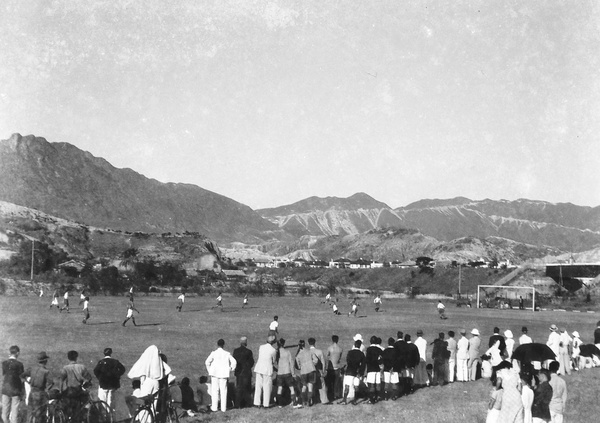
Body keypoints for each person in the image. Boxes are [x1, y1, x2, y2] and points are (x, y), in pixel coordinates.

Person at [205, 338, 237, 413]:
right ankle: (223, 408)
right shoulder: (227, 353)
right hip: (223, 374)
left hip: (215, 374)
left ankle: (214, 407)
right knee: (223, 391)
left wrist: (210, 370)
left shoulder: (214, 353)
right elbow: (234, 362)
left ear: (217, 344)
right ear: (223, 345)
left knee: (215, 391)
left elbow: (207, 362)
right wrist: (230, 369)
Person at [22, 351, 53, 422]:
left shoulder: (32, 369)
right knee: (40, 414)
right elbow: (51, 383)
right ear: (45, 361)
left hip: (32, 392)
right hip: (40, 393)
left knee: (30, 412)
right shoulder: (46, 371)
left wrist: (28, 381)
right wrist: (46, 390)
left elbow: (22, 375)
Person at [61, 350, 93, 418]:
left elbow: (61, 380)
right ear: (76, 357)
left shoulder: (65, 368)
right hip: (78, 391)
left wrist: (61, 391)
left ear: (68, 358)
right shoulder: (82, 367)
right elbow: (89, 378)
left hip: (69, 391)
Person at [253, 335, 277, 408]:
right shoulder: (273, 350)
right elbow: (273, 360)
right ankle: (265, 404)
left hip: (259, 368)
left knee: (258, 386)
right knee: (267, 387)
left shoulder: (261, 347)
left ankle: (257, 403)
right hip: (267, 369)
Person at [2, 346, 24, 423]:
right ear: (17, 353)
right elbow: (21, 376)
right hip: (16, 390)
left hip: (5, 389)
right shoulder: (20, 364)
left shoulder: (4, 363)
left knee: (5, 412)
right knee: (15, 413)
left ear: (10, 352)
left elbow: (5, 374)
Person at [275, 338, 298, 408]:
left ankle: (280, 404)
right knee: (291, 388)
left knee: (280, 388)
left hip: (279, 373)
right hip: (287, 372)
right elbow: (291, 363)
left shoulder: (276, 352)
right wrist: (293, 374)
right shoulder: (287, 352)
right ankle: (294, 403)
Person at [232, 336, 254, 409]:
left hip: (239, 372)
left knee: (239, 388)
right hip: (246, 372)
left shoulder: (236, 351)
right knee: (247, 388)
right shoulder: (248, 351)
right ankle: (247, 403)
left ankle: (238, 404)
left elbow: (234, 361)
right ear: (246, 342)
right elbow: (251, 362)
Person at [341, 340, 365, 405]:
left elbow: (348, 361)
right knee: (356, 386)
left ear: (354, 344)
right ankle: (355, 400)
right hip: (357, 372)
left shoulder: (350, 352)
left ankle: (344, 400)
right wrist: (360, 373)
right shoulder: (361, 354)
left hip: (350, 371)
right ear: (360, 346)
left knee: (347, 386)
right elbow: (363, 365)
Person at [295, 340, 317, 407]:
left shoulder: (298, 355)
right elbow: (316, 360)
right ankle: (309, 401)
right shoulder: (310, 351)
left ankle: (304, 401)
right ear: (304, 345)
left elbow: (298, 366)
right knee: (310, 387)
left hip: (303, 372)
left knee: (304, 387)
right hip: (311, 370)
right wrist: (312, 364)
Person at [308, 338, 328, 405]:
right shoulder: (319, 351)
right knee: (322, 385)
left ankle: (312, 400)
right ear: (314, 343)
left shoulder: (307, 352)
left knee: (311, 386)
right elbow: (323, 362)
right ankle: (324, 400)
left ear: (308, 343)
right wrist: (323, 370)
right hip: (319, 370)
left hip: (310, 371)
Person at [365, 336, 383, 403]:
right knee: (378, 384)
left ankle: (371, 399)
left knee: (372, 385)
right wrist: (379, 362)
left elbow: (367, 359)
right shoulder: (378, 349)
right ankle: (378, 396)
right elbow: (382, 358)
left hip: (371, 369)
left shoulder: (368, 349)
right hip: (377, 369)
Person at [326, 335, 344, 401]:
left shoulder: (329, 348)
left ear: (332, 340)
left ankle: (330, 395)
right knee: (336, 383)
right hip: (337, 367)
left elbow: (327, 356)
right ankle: (336, 395)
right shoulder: (340, 349)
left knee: (330, 383)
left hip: (331, 368)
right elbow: (339, 358)